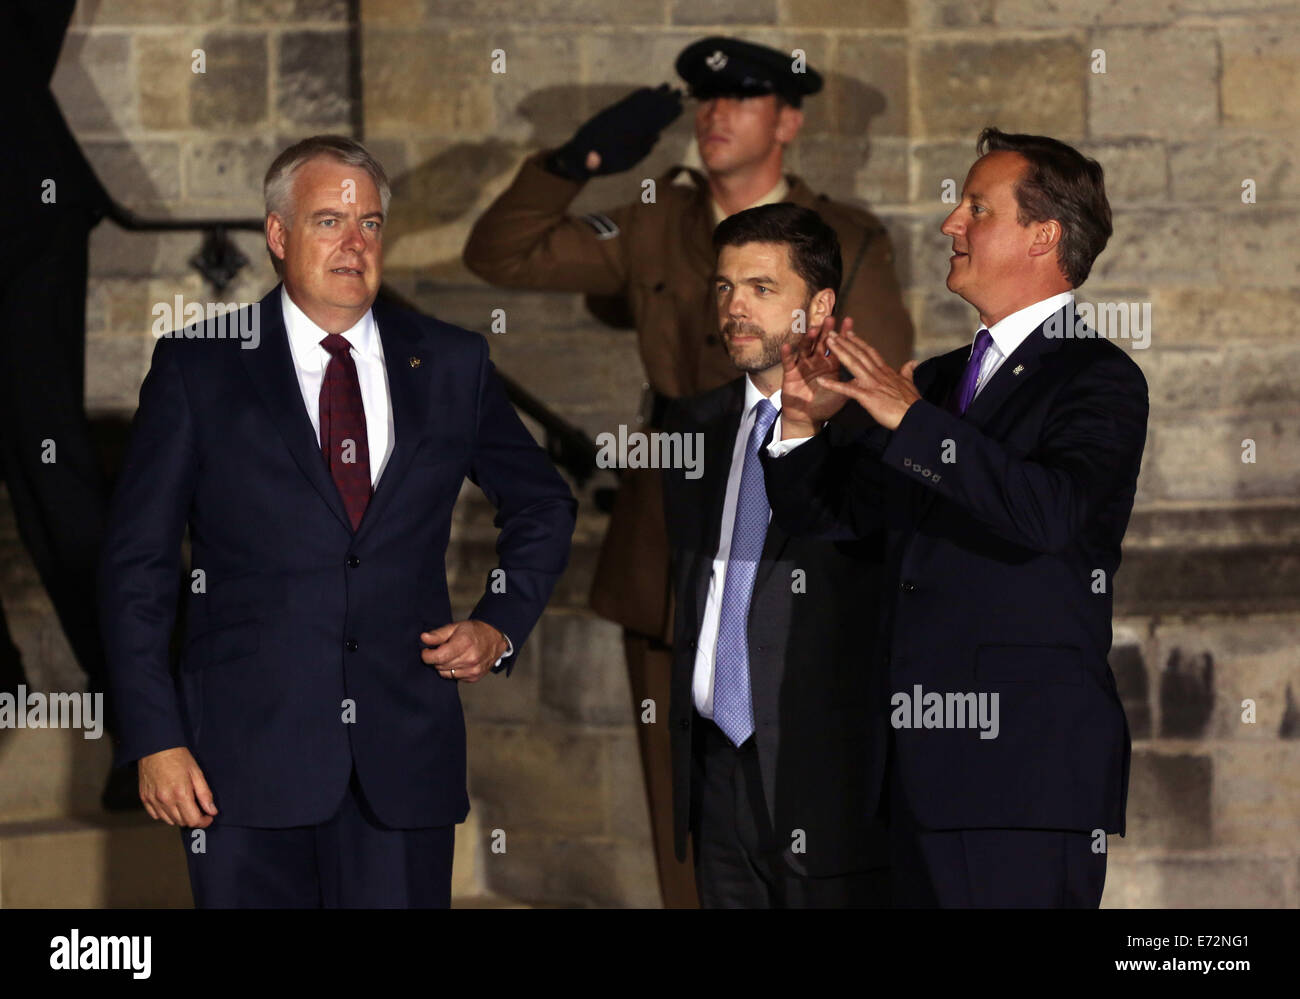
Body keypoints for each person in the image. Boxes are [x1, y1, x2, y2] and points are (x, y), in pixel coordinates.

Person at [463, 35, 912, 907]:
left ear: (788, 120)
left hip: (797, 528)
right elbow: (501, 255)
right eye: (705, 102)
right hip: (668, 523)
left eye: (739, 101)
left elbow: (879, 383)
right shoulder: (651, 218)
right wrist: (576, 161)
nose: (713, 116)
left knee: (805, 788)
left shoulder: (845, 238)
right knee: (685, 796)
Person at [98, 135, 576, 908]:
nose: (355, 243)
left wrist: (501, 622)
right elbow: (137, 568)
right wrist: (155, 736)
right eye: (330, 221)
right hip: (240, 767)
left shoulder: (451, 362)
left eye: (372, 224)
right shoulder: (199, 366)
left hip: (403, 765)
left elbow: (544, 502)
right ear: (279, 236)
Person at [762, 128, 1147, 907]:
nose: (951, 225)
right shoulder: (937, 382)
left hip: (1022, 779)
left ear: (1043, 235)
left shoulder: (1098, 375)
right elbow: (835, 519)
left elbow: (1049, 513)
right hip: (909, 777)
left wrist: (912, 421)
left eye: (977, 207)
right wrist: (801, 422)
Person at [661, 204, 889, 907]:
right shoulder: (690, 426)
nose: (735, 307)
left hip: (826, 786)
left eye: (762, 289)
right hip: (714, 772)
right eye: (726, 287)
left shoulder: (876, 432)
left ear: (819, 305)